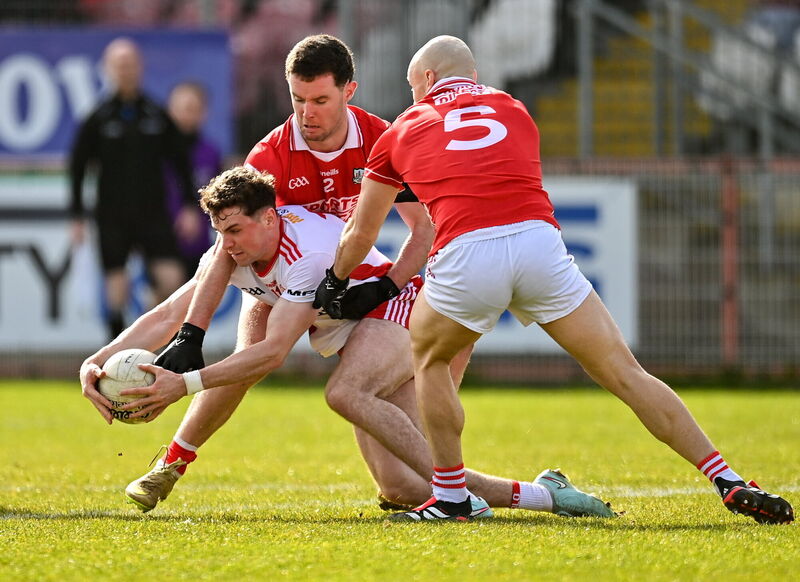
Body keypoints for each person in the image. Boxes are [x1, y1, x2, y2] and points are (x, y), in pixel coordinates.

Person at [315, 35, 795, 524]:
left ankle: (452, 496)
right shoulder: (514, 108)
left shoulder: (402, 128)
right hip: (539, 245)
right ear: (472, 77)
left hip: (466, 252)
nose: (412, 96)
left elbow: (360, 230)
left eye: (413, 86)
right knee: (625, 373)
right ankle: (727, 478)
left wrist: (335, 279)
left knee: (431, 361)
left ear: (429, 79)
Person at [79, 166, 615, 522]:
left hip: (398, 312)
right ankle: (546, 493)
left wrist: (183, 384)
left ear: (269, 218)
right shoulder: (229, 252)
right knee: (406, 487)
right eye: (221, 232)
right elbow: (171, 312)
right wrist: (98, 361)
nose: (229, 244)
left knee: (343, 394)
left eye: (237, 230)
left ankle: (459, 502)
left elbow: (270, 355)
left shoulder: (306, 256)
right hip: (352, 329)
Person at [116, 34, 452, 514]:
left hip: (363, 290)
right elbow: (226, 252)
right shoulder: (270, 156)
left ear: (349, 91)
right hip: (284, 280)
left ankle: (474, 489)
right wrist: (191, 331)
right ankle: (170, 463)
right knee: (246, 359)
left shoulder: (383, 140)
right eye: (297, 99)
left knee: (403, 488)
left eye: (320, 100)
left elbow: (424, 229)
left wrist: (388, 284)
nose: (306, 112)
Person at [69, 37, 200, 340]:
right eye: (119, 65)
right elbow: (77, 167)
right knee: (117, 282)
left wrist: (190, 207)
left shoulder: (155, 114)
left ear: (140, 68)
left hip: (153, 212)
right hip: (111, 214)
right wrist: (76, 215)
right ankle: (115, 347)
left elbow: (182, 163)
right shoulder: (98, 118)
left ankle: (151, 337)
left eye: (130, 64)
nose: (125, 71)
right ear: (108, 69)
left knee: (171, 278)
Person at [164, 81, 222, 278]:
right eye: (180, 109)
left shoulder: (211, 153)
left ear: (203, 113)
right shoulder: (156, 154)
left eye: (192, 109)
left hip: (198, 244)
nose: (185, 115)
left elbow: (217, 199)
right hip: (162, 243)